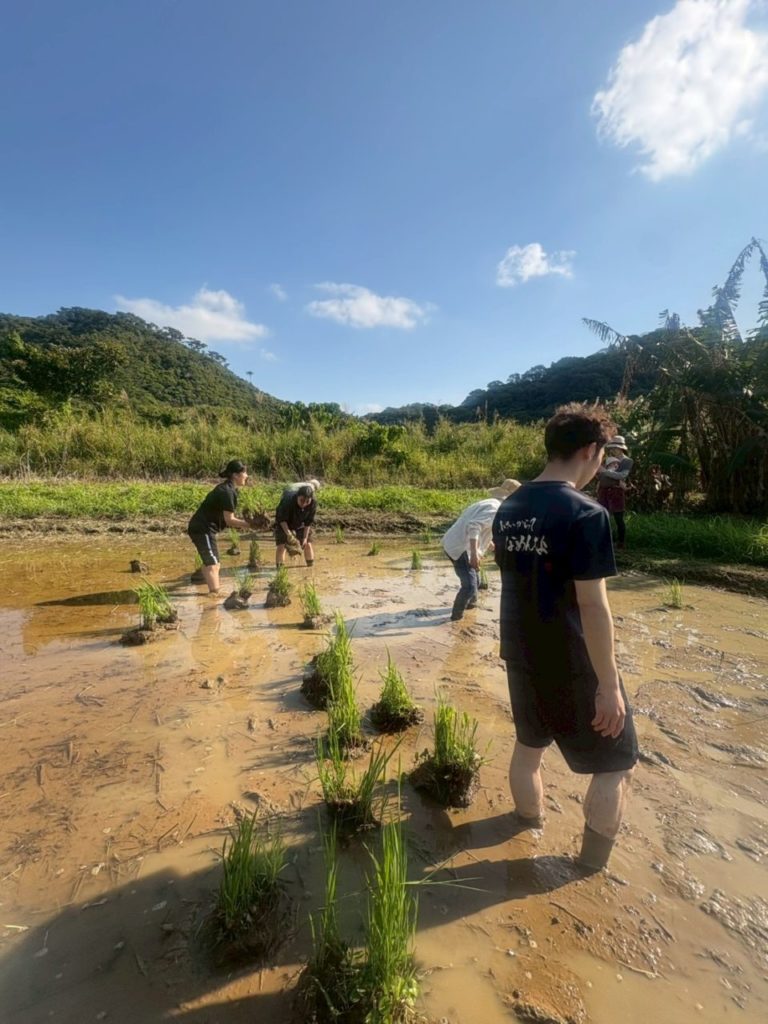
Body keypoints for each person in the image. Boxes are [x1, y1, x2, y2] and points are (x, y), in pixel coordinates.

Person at [492, 404, 638, 871]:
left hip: (519, 653)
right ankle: (590, 870)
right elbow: (593, 606)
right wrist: (609, 685)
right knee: (615, 765)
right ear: (591, 451)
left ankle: (524, 830)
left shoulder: (509, 508)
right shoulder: (585, 513)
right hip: (572, 661)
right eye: (601, 457)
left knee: (528, 751)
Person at [442, 480, 521, 621]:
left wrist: (490, 545)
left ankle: (470, 608)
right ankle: (456, 619)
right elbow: (474, 526)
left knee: (476, 581)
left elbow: (481, 527)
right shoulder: (495, 508)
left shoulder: (489, 503)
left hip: (454, 543)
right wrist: (474, 554)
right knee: (469, 585)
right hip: (461, 548)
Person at [187, 460, 253, 594]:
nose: (246, 475)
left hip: (204, 528)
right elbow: (229, 520)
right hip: (202, 528)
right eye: (244, 472)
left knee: (213, 563)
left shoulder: (230, 489)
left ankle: (200, 579)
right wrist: (250, 525)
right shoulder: (227, 492)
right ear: (235, 475)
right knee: (213, 564)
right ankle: (214, 596)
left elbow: (227, 518)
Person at [596, 436, 633, 549]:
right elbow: (600, 474)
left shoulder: (627, 461)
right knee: (603, 517)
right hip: (604, 490)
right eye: (612, 448)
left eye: (615, 448)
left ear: (620, 448)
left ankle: (620, 542)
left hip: (616, 491)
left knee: (618, 518)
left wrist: (605, 472)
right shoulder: (607, 459)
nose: (612, 450)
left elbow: (622, 475)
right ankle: (606, 541)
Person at [275, 481, 318, 567]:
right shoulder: (287, 501)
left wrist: (305, 538)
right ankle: (280, 571)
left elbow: (308, 522)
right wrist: (289, 535)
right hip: (284, 523)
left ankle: (310, 567)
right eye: (302, 500)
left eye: (307, 501)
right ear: (297, 496)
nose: (304, 504)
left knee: (308, 544)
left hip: (300, 522)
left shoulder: (313, 503)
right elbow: (282, 520)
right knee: (282, 546)